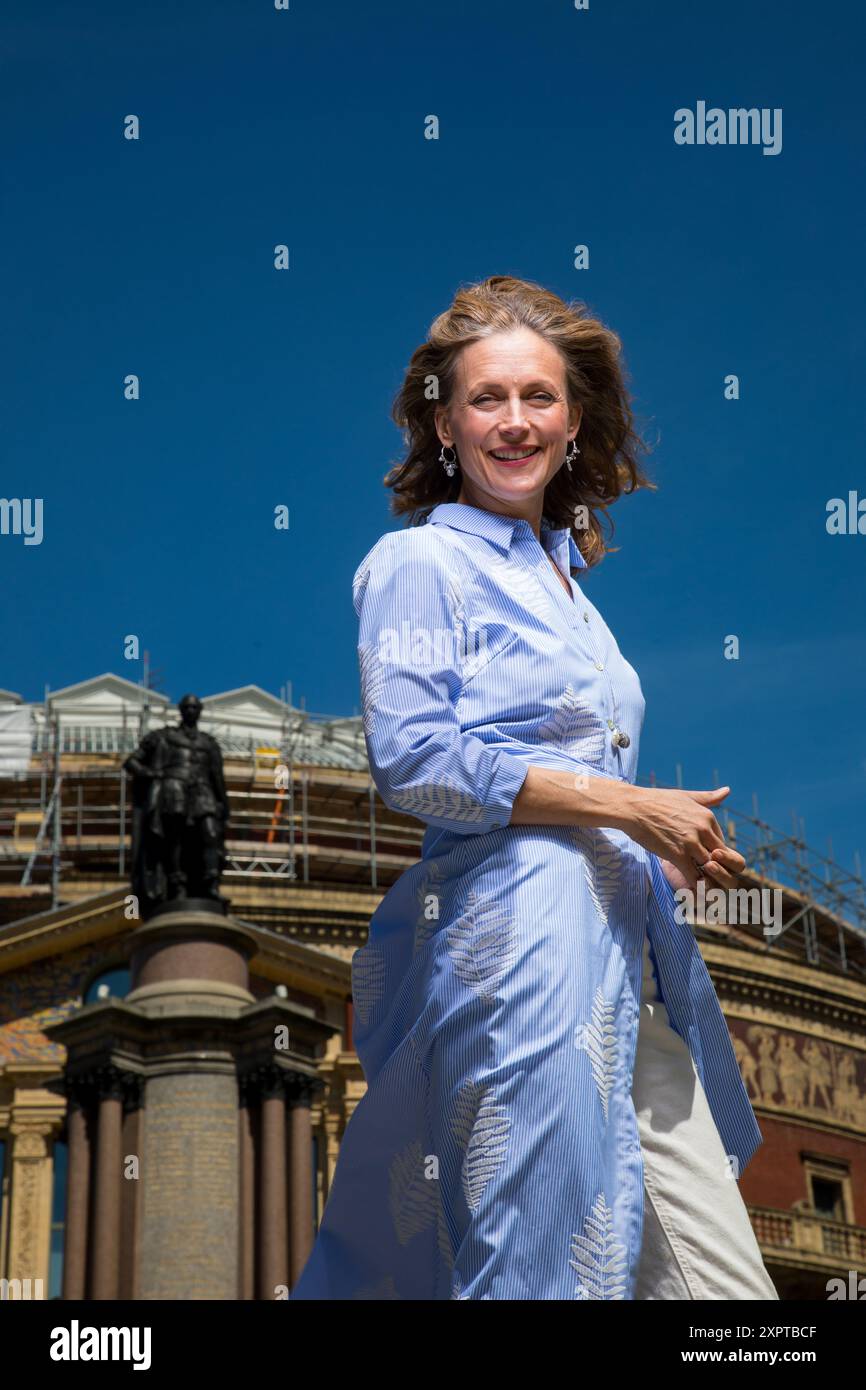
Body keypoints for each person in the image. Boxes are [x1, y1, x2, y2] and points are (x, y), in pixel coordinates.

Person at [291, 275, 778, 1300]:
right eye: (484, 398)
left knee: (730, 1301)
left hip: (630, 967)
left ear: (573, 419)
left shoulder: (572, 595)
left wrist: (658, 852)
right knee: (536, 1267)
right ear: (442, 420)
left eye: (538, 397)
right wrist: (628, 807)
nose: (513, 422)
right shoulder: (419, 563)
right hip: (520, 954)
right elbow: (416, 761)